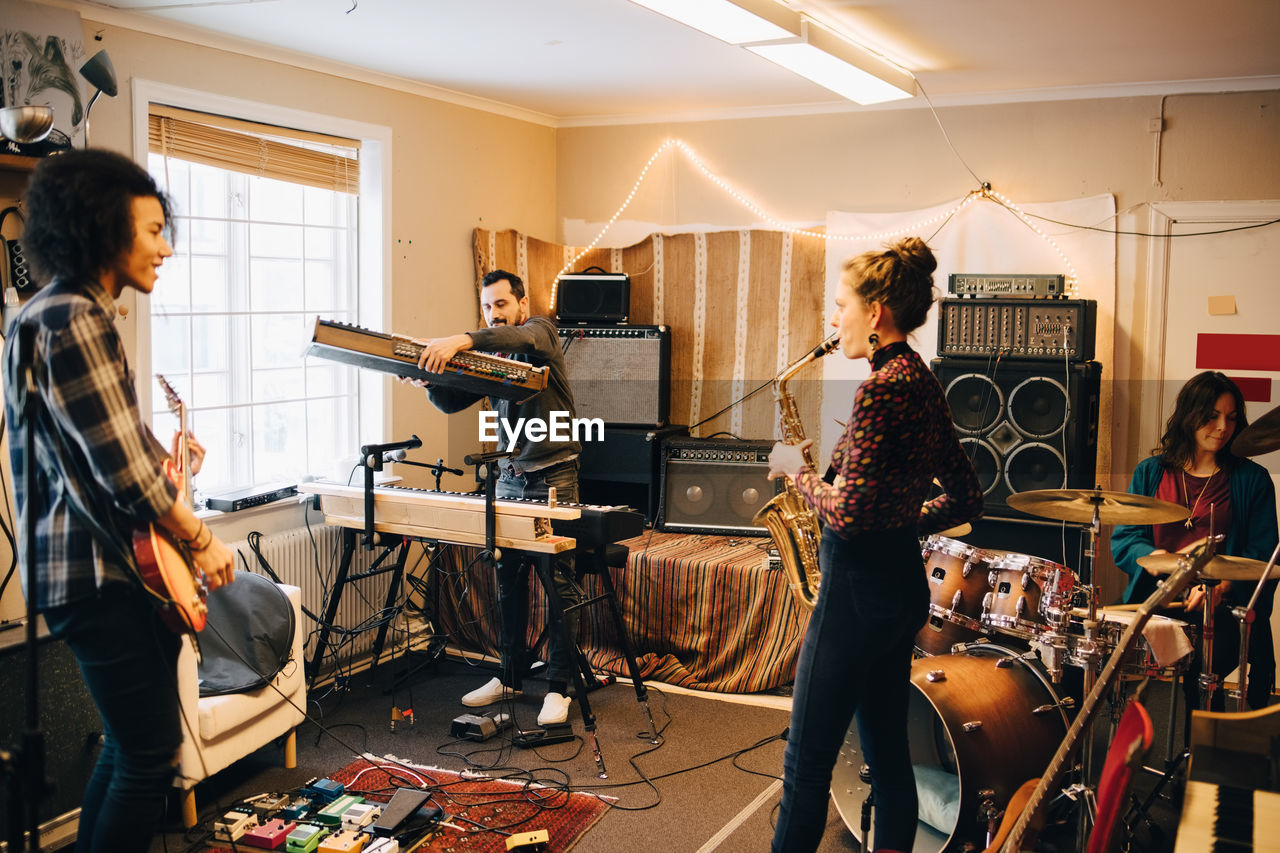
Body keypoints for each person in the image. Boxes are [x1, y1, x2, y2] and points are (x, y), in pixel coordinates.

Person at [3, 149, 235, 853]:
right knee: (148, 752)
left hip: (102, 570)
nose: (167, 247)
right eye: (154, 229)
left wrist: (174, 469)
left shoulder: (53, 313)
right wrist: (200, 537)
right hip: (94, 575)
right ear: (104, 227)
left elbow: (106, 458)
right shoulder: (75, 317)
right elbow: (126, 479)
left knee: (133, 745)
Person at [765, 237, 984, 852]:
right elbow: (968, 498)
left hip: (854, 601)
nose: (834, 321)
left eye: (840, 306)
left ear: (877, 310)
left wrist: (794, 472)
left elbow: (852, 511)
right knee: (889, 762)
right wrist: (901, 519)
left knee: (804, 769)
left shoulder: (881, 388)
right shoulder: (921, 379)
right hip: (898, 597)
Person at [411, 269, 583, 726]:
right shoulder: (494, 357)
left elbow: (521, 338)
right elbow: (453, 402)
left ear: (521, 305)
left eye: (501, 305)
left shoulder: (541, 331)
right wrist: (429, 383)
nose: (494, 313)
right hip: (508, 480)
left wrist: (462, 339)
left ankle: (559, 689)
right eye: (487, 307)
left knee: (557, 587)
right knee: (508, 584)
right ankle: (509, 677)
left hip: (553, 480)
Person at [1111, 371, 1277, 712]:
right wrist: (1161, 561)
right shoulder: (1151, 471)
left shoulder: (1252, 479)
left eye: (1231, 418)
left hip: (1221, 608)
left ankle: (1196, 756)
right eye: (1212, 416)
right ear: (1190, 416)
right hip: (1156, 599)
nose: (1222, 427)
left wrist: (1222, 585)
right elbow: (1125, 540)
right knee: (1086, 644)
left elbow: (1262, 554)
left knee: (1202, 674)